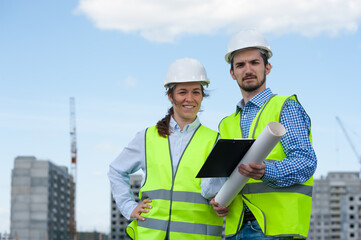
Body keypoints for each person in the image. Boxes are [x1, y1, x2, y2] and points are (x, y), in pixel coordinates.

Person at [201, 30, 317, 239]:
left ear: (267, 67)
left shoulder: (285, 107)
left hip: (275, 230)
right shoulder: (227, 123)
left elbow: (305, 162)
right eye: (240, 65)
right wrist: (219, 199)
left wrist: (266, 171)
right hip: (235, 229)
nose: (248, 70)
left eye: (254, 62)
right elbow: (226, 174)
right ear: (232, 73)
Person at [108, 57, 224, 240]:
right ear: (170, 96)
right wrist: (129, 207)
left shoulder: (215, 140)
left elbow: (220, 190)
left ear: (202, 96)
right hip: (150, 235)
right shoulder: (147, 137)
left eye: (196, 92)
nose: (190, 99)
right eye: (182, 92)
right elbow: (116, 171)